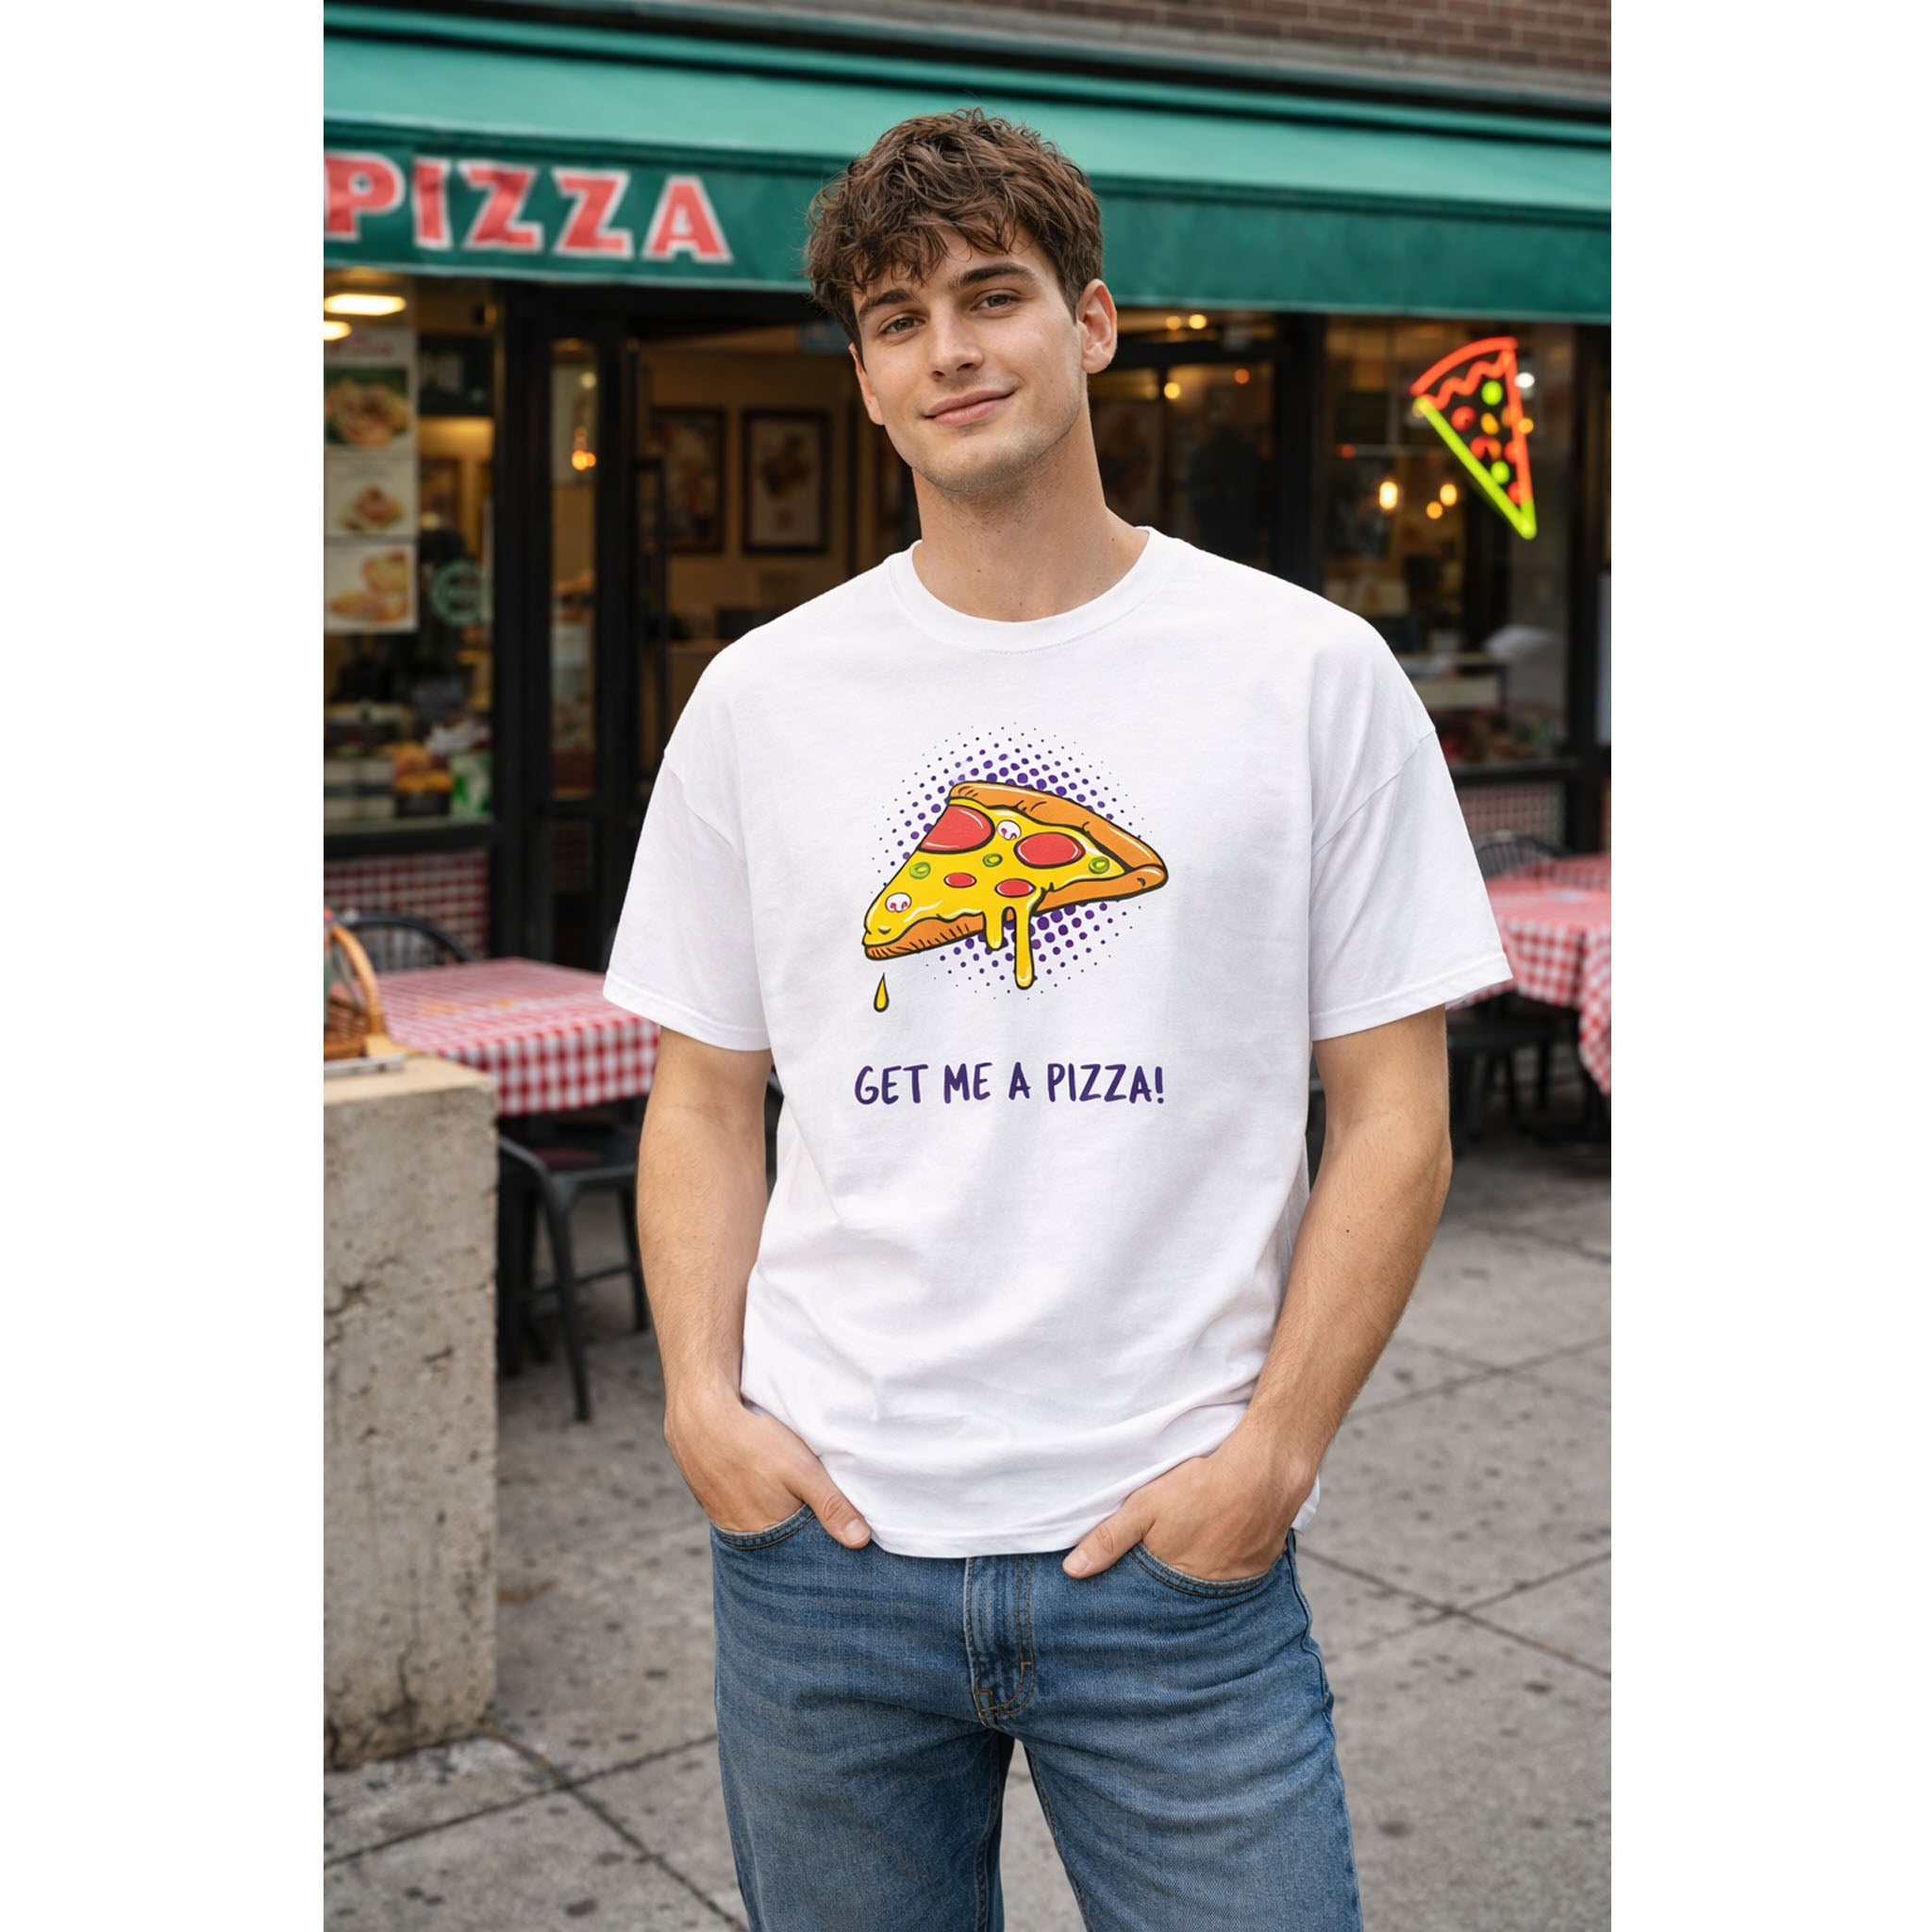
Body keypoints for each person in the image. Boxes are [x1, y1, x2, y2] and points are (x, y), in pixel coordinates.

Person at [603, 108, 1510, 1931]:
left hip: (1175, 1563)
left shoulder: (1308, 673)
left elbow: (1393, 1114)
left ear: (1093, 322)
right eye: (895, 319)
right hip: (825, 1553)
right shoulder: (762, 701)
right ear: (861, 379)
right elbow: (704, 1095)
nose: (951, 349)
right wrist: (704, 1402)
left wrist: (1275, 1455)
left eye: (993, 295)